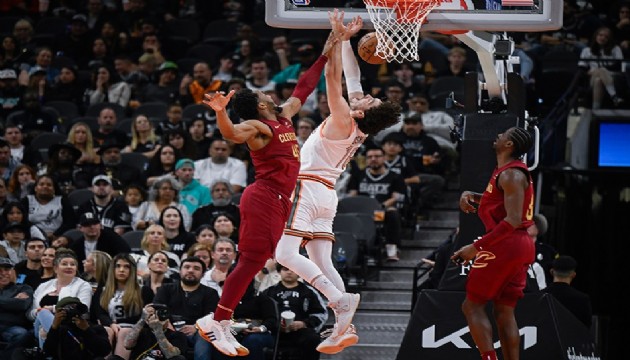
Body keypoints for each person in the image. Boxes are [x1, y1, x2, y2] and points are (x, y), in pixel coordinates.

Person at [195, 21, 337, 357]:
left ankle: (220, 321)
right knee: (252, 260)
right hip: (262, 196)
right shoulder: (259, 126)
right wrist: (220, 113)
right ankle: (217, 322)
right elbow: (231, 134)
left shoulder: (284, 115)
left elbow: (303, 88)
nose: (268, 93)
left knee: (256, 261)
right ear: (259, 104)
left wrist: (327, 52)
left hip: (278, 199)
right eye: (262, 94)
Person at [274, 11, 401, 354]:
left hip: (308, 187)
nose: (363, 94)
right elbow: (352, 75)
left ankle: (339, 301)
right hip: (327, 194)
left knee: (283, 253)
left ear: (362, 111)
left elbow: (333, 78)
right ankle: (345, 324)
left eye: (367, 99)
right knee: (324, 262)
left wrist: (335, 35)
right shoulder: (359, 123)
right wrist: (346, 40)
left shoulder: (345, 117)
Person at [450, 126, 535, 360]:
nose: (498, 135)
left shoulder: (511, 174)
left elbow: (513, 219)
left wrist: (474, 248)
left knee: (472, 306)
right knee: (504, 311)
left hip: (507, 244)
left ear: (509, 145)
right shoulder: (506, 173)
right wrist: (472, 195)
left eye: (504, 135)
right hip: (520, 245)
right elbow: (498, 201)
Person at [154, 257, 219, 360]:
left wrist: (196, 327)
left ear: (203, 274)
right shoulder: (166, 289)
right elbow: (157, 309)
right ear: (180, 271)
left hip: (197, 333)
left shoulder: (210, 293)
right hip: (168, 330)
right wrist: (168, 325)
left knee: (205, 335)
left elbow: (211, 316)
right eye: (187, 267)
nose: (190, 270)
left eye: (196, 268)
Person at [28, 249, 93, 348]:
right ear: (55, 268)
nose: (69, 267)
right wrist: (37, 312)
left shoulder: (83, 285)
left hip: (71, 324)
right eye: (64, 264)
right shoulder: (43, 286)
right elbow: (30, 313)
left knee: (44, 331)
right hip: (45, 325)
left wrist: (52, 309)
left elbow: (82, 308)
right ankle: (61, 336)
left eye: (72, 264)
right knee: (43, 314)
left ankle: (48, 353)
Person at [262, 264, 328, 360]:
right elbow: (261, 314)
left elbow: (321, 314)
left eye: (293, 270)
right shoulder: (269, 292)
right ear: (279, 272)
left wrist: (303, 323)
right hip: (275, 331)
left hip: (301, 331)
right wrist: (274, 325)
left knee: (313, 339)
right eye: (285, 269)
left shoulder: (309, 292)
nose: (289, 272)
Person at [91, 253, 143, 359]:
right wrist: (111, 324)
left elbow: (144, 314)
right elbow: (99, 313)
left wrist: (120, 324)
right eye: (118, 266)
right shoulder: (103, 290)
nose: (122, 270)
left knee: (124, 331)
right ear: (112, 269)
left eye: (126, 267)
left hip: (133, 328)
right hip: (110, 326)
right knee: (106, 330)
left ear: (132, 270)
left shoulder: (142, 290)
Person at [43, 296, 111, 360]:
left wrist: (87, 330)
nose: (73, 311)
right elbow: (48, 352)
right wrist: (54, 327)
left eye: (76, 307)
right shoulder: (59, 330)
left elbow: (104, 351)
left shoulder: (95, 328)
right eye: (68, 308)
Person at [123, 303, 189, 360]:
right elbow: (127, 345)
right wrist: (142, 319)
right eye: (152, 316)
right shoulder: (141, 332)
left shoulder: (178, 335)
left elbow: (172, 355)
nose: (157, 319)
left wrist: (158, 330)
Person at [543, 255, 592, 328]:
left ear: (552, 272)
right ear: (573, 275)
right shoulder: (582, 299)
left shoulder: (540, 296)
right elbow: (586, 327)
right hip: (572, 338)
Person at [0, 257, 33, 359]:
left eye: (7, 270)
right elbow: (15, 304)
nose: (3, 273)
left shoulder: (24, 288)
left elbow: (21, 305)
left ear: (12, 272)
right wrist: (12, 301)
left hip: (12, 327)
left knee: (22, 334)